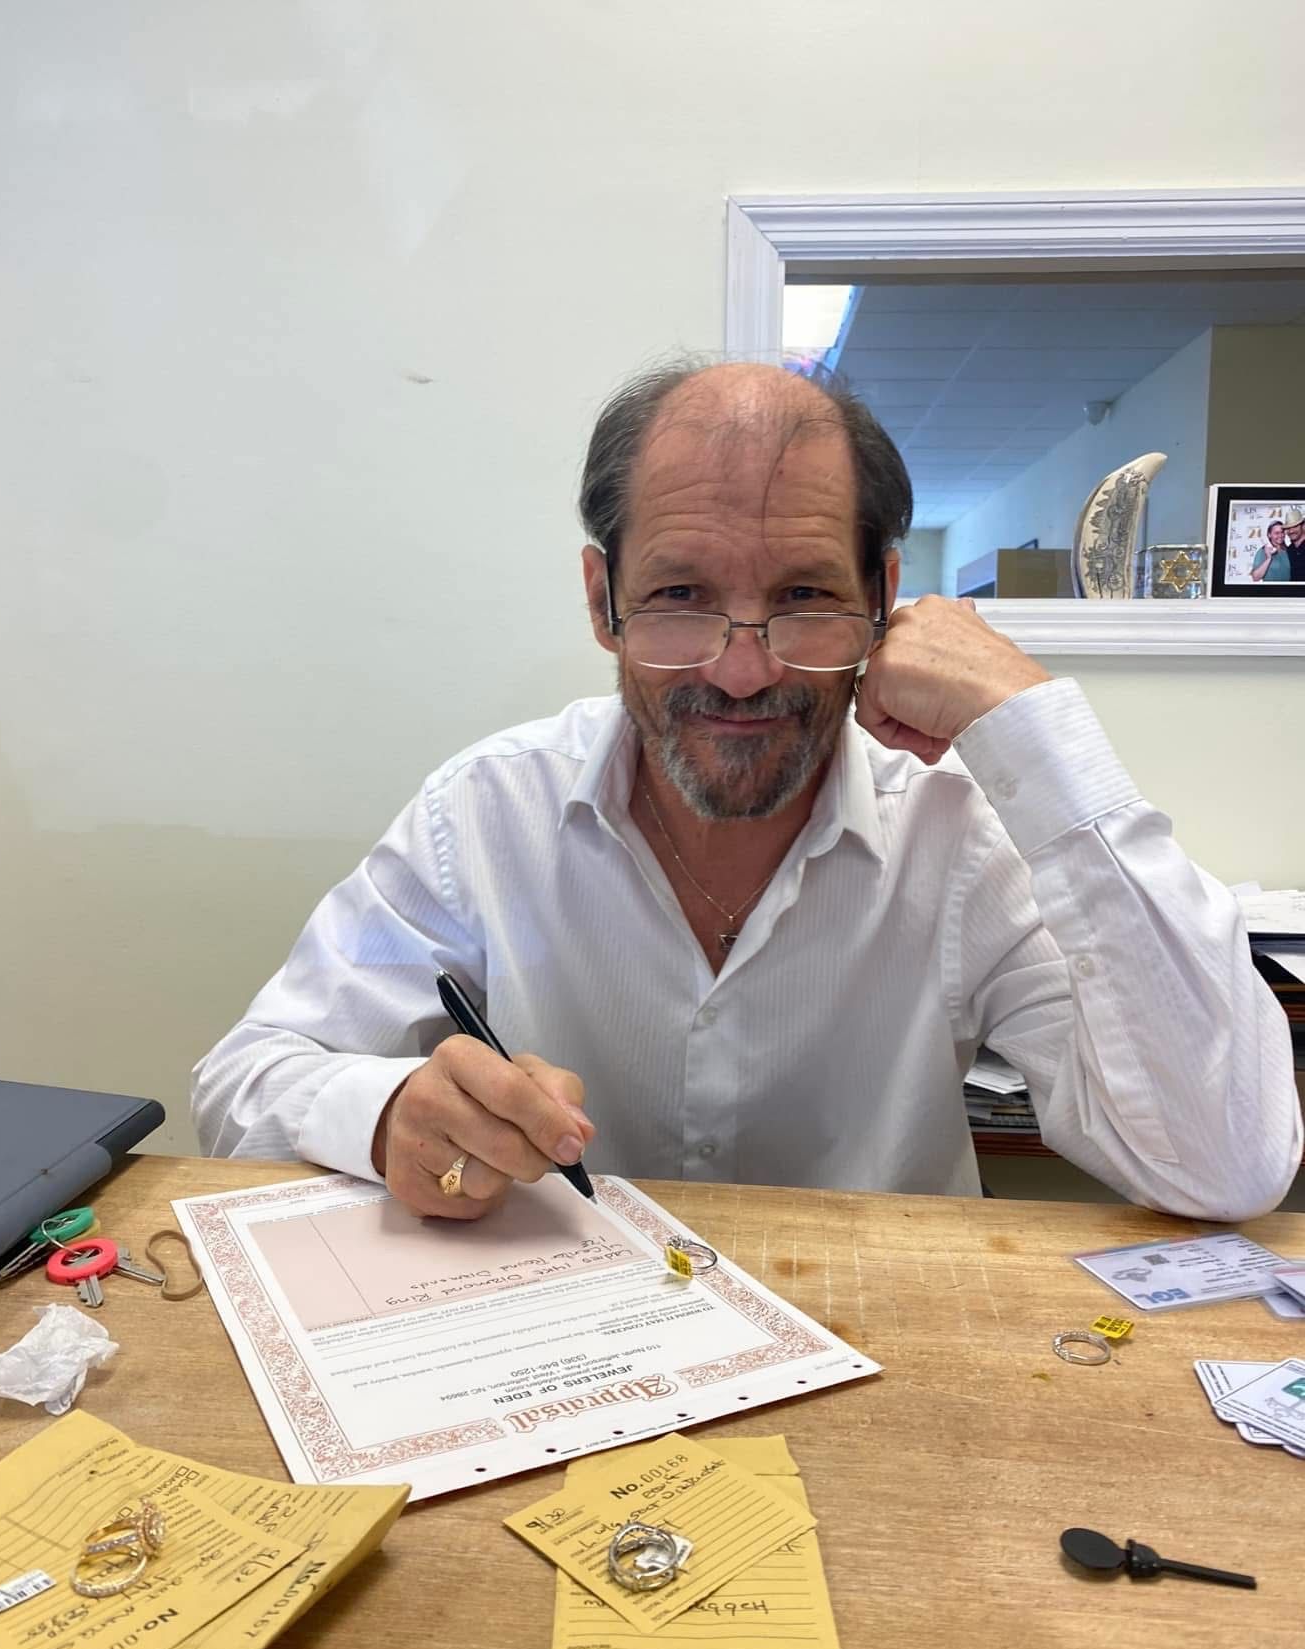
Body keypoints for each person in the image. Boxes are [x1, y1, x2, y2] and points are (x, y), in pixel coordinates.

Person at [192, 361, 1301, 1226]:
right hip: (567, 1361)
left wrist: (1037, 734)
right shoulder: (483, 813)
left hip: (892, 1357)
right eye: (680, 594)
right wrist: (387, 1113)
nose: (741, 670)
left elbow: (1229, 1162)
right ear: (602, 598)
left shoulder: (967, 834)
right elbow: (244, 1083)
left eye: (805, 595)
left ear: (884, 597)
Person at [1284, 508, 1305, 581]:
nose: (1291, 531)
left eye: (1295, 526)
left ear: (1303, 526)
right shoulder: (1289, 550)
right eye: (1288, 528)